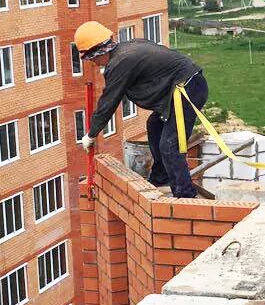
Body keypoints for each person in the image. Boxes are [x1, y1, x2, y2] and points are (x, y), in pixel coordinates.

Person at [73, 21, 208, 199]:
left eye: (93, 59)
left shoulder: (120, 62)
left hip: (187, 90)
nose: (95, 64)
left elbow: (109, 101)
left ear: (99, 51)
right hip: (179, 89)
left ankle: (185, 196)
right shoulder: (127, 49)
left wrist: (91, 134)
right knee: (154, 125)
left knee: (169, 145)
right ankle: (161, 177)